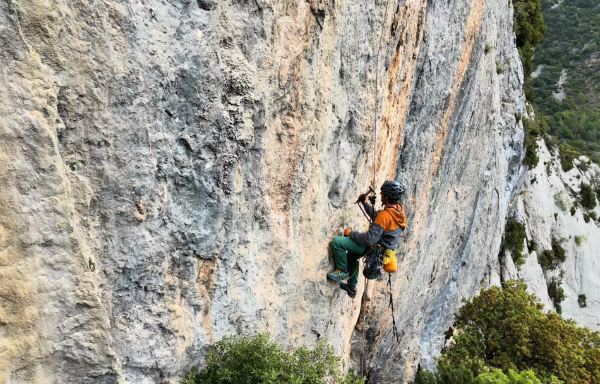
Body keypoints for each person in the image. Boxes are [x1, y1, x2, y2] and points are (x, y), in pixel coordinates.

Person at [327, 180, 407, 298]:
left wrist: (351, 233)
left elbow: (368, 239)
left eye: (382, 193)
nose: (380, 195)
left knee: (338, 242)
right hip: (381, 251)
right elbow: (378, 216)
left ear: (386, 196)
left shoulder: (385, 216)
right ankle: (352, 287)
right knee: (352, 256)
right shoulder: (399, 211)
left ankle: (342, 270)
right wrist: (364, 203)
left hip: (371, 247)